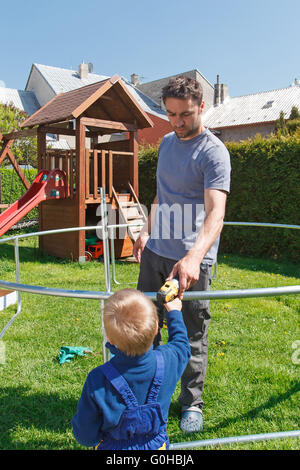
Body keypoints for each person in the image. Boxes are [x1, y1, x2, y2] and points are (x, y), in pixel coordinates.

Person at [133, 76, 231, 433]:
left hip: (191, 261)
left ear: (201, 107)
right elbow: (162, 196)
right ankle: (147, 393)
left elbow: (215, 213)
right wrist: (146, 230)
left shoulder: (214, 152)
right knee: (147, 328)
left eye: (185, 115)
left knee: (190, 333)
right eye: (171, 114)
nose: (176, 122)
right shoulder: (165, 144)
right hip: (156, 253)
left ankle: (192, 403)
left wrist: (192, 258)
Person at [72, 288, 190, 450]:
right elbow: (182, 344)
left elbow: (85, 436)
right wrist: (174, 312)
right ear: (156, 328)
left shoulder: (98, 379)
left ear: (110, 338)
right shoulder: (169, 360)